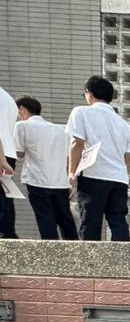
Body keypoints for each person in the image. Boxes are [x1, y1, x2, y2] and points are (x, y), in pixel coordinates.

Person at [66, 76, 130, 241]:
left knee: (90, 221)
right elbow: (128, 158)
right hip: (119, 179)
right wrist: (124, 177)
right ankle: (123, 255)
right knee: (118, 220)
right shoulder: (125, 125)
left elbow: (77, 143)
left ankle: (90, 257)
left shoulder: (81, 112)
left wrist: (72, 172)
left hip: (93, 174)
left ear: (88, 93)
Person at [13, 97, 78, 240]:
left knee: (45, 219)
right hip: (60, 182)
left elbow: (19, 153)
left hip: (37, 180)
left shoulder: (22, 126)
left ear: (22, 109)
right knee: (66, 220)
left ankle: (51, 251)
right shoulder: (60, 130)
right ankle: (76, 248)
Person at [0, 85, 19, 238]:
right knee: (6, 195)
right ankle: (8, 234)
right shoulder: (8, 98)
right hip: (8, 152)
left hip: (2, 154)